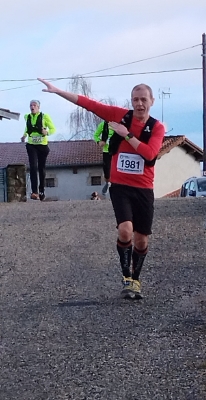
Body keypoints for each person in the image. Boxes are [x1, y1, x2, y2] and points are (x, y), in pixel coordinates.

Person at [38, 78, 165, 299]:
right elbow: (88, 104)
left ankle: (136, 278)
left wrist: (127, 135)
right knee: (125, 230)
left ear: (152, 101)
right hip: (120, 186)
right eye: (135, 99)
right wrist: (58, 91)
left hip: (144, 188)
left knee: (142, 239)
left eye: (144, 99)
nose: (139, 104)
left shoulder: (156, 127)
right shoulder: (119, 115)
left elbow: (150, 154)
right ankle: (127, 276)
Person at [21, 100, 56, 201]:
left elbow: (53, 129)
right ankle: (34, 192)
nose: (32, 107)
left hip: (42, 146)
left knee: (41, 168)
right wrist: (24, 135)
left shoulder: (45, 116)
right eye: (31, 105)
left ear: (38, 107)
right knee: (33, 167)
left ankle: (41, 191)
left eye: (34, 105)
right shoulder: (27, 116)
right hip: (31, 145)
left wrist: (47, 132)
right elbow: (27, 128)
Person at [93, 120, 114, 195]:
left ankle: (118, 186)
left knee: (117, 169)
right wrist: (99, 142)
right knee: (107, 169)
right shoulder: (102, 124)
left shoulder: (119, 124)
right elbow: (95, 135)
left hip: (117, 151)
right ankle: (107, 183)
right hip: (106, 151)